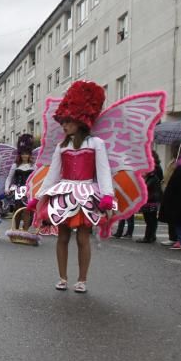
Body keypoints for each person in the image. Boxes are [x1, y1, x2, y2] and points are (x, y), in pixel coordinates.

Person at [29, 81, 114, 294]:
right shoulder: (62, 146)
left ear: (80, 119)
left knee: (83, 237)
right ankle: (62, 277)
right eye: (63, 121)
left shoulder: (96, 144)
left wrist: (107, 197)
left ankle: (82, 279)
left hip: (86, 193)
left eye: (68, 121)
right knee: (63, 236)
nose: (64, 125)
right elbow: (52, 174)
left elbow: (103, 172)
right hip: (64, 194)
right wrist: (38, 197)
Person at [134, 150, 164, 244]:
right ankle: (151, 236)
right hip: (153, 197)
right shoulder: (155, 171)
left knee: (150, 218)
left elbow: (149, 184)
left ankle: (148, 237)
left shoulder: (154, 173)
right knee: (151, 218)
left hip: (151, 197)